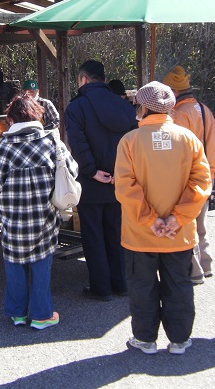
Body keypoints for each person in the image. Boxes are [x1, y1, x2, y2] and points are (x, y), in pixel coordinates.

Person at [114, 81, 211, 355]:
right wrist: (176, 218)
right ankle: (180, 339)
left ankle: (145, 339)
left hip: (140, 234)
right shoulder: (189, 139)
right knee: (179, 286)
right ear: (170, 107)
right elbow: (202, 182)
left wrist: (150, 219)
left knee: (142, 288)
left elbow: (124, 186)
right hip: (178, 234)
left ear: (142, 108)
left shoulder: (129, 141)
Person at [0, 95, 78, 329]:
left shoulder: (4, 147)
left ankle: (17, 314)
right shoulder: (52, 143)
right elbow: (72, 171)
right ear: (37, 114)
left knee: (14, 262)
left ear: (11, 119)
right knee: (41, 264)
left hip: (13, 219)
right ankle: (41, 315)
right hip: (44, 216)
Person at [65, 60, 137, 301]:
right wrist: (124, 171)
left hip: (91, 181)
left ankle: (101, 288)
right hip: (120, 180)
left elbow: (78, 144)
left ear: (83, 79)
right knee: (116, 234)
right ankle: (121, 283)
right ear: (104, 79)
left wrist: (92, 170)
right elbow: (133, 141)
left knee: (93, 236)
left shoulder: (77, 107)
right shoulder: (124, 106)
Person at [162, 66, 215, 284]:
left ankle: (194, 271)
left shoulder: (179, 115)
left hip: (186, 178)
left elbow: (176, 152)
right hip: (206, 174)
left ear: (174, 92)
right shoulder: (204, 109)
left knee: (186, 224)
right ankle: (207, 264)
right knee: (201, 224)